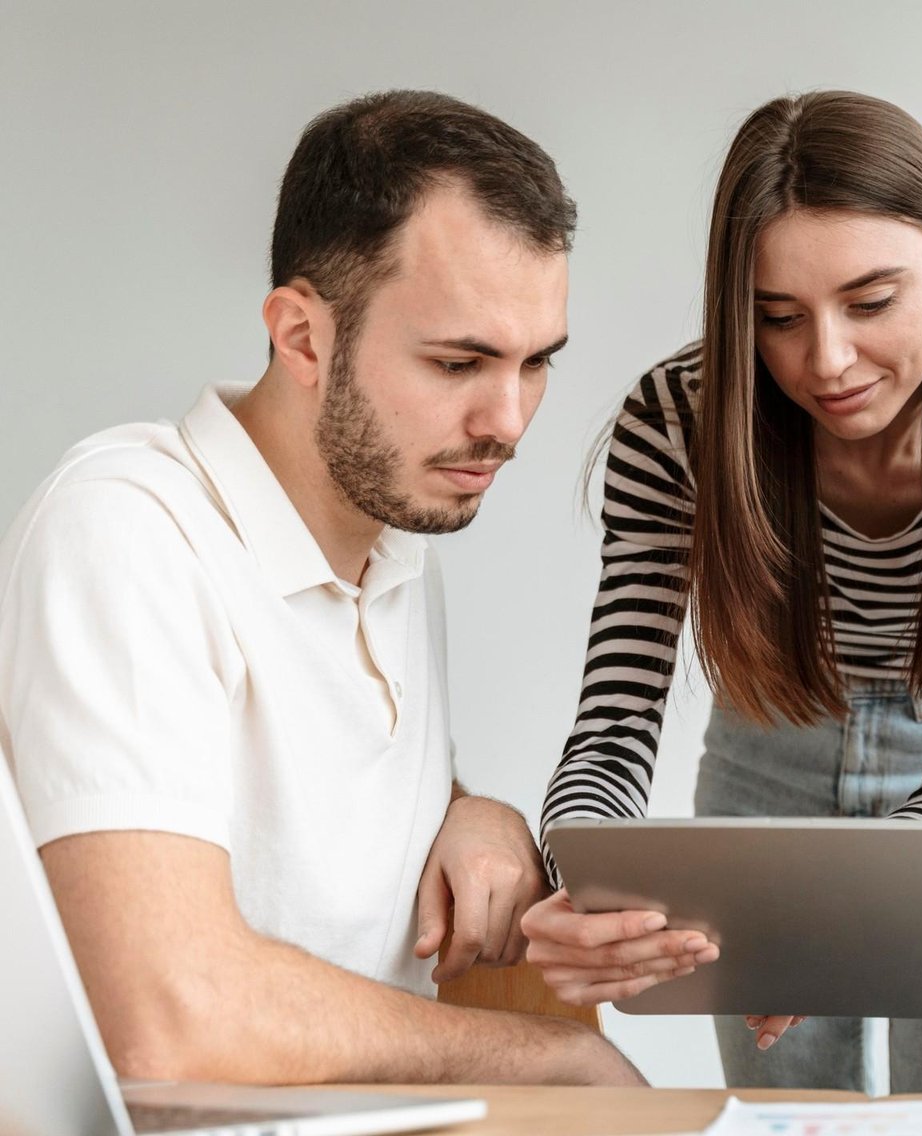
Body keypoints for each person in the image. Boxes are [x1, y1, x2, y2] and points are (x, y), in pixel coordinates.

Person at [0, 90, 642, 1086]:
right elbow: (169, 1024)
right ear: (303, 337)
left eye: (533, 363)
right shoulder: (128, 528)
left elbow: (308, 835)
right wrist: (550, 1055)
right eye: (458, 360)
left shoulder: (394, 556)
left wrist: (472, 810)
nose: (508, 420)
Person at [523, 90, 922, 1093]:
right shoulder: (677, 420)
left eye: (870, 302)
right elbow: (613, 725)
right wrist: (582, 879)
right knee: (786, 1115)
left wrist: (843, 914)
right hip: (768, 755)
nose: (823, 362)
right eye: (775, 318)